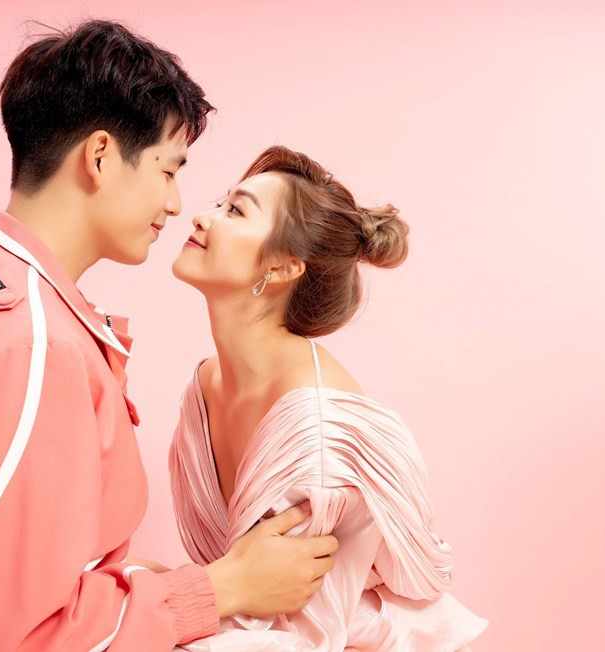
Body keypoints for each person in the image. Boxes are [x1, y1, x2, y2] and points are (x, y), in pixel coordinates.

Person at [0, 21, 338, 652]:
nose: (177, 205)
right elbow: (24, 639)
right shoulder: (31, 343)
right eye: (167, 170)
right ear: (99, 158)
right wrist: (224, 587)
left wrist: (157, 582)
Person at [169, 145, 489, 650]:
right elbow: (233, 584)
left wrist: (148, 606)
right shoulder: (206, 385)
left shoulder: (318, 431)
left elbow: (299, 635)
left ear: (281, 269)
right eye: (219, 203)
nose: (202, 217)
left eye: (235, 211)